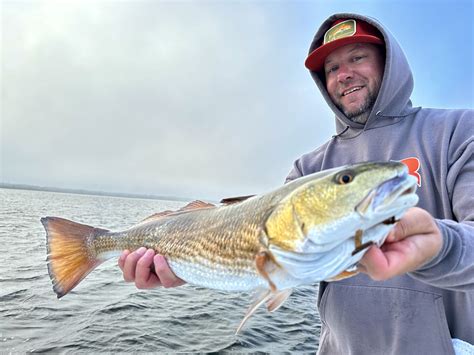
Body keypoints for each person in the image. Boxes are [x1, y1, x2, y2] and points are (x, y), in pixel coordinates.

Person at [118, 13, 473, 354]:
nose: (344, 74)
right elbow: (267, 257)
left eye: (358, 57)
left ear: (390, 63)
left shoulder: (457, 132)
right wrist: (187, 267)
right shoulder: (309, 167)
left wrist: (441, 246)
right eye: (332, 68)